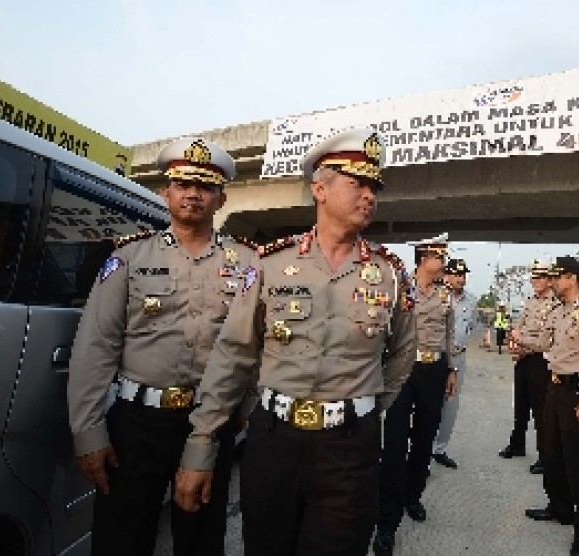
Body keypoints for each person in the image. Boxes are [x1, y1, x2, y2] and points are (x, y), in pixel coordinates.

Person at [173, 128, 417, 556]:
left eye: (374, 186)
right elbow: (234, 355)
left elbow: (402, 354)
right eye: (356, 182)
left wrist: (363, 408)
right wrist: (201, 442)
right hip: (274, 440)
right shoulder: (270, 263)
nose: (369, 195)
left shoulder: (391, 273)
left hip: (350, 448)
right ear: (319, 189)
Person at [67, 136, 255, 556]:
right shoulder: (129, 258)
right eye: (183, 184)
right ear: (165, 191)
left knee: (201, 540)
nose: (193, 194)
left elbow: (255, 344)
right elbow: (95, 346)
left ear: (221, 198)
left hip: (210, 422)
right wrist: (89, 433)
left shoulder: (247, 264)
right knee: (122, 537)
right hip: (136, 424)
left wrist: (245, 407)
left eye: (205, 186)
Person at [374, 233, 458, 555]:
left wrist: (452, 370)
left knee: (424, 440)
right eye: (439, 257)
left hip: (433, 372)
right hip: (402, 372)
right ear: (425, 258)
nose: (444, 263)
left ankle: (413, 497)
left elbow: (450, 335)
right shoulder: (399, 287)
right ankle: (386, 521)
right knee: (394, 444)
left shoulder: (446, 295)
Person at [524, 256, 579, 556]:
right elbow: (546, 345)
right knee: (551, 453)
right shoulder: (558, 311)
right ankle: (560, 507)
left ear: (571, 278)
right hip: (555, 387)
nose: (552, 282)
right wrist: (520, 339)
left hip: (577, 392)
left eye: (557, 277)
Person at [500, 260, 558, 473]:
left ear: (550, 281)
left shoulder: (555, 305)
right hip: (524, 357)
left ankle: (545, 455)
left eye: (540, 277)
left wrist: (523, 344)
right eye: (534, 277)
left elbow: (547, 339)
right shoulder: (529, 301)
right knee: (520, 405)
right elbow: (518, 326)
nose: (536, 281)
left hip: (540, 360)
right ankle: (517, 444)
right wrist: (515, 344)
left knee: (541, 410)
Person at [431, 258, 478, 470]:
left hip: (458, 357)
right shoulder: (437, 296)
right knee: (430, 404)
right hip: (438, 358)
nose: (461, 279)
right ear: (446, 276)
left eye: (463, 275)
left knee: (450, 405)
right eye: (457, 275)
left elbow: (471, 327)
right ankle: (424, 452)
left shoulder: (471, 301)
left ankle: (439, 449)